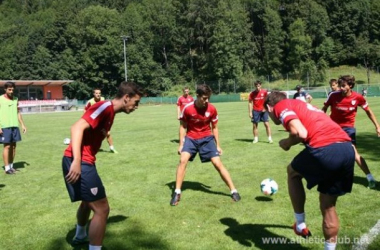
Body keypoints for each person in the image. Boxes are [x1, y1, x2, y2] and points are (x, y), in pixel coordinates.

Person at [264, 91, 355, 250]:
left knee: (292, 172)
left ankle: (300, 224)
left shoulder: (280, 106)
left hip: (326, 148)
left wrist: (287, 142)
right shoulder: (302, 105)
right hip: (347, 149)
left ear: (268, 107)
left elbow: (300, 133)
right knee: (328, 206)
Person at [62, 82, 143, 249]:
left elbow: (91, 130)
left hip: (83, 160)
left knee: (87, 202)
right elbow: (76, 128)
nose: (136, 107)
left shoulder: (110, 112)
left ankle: (80, 235)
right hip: (80, 161)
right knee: (102, 209)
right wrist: (77, 161)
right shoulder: (105, 107)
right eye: (136, 102)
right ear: (126, 98)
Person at [170, 84, 241, 206]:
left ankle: (234, 190)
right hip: (191, 138)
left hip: (207, 138)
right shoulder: (187, 109)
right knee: (182, 160)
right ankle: (177, 192)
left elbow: (215, 128)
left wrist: (218, 145)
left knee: (217, 163)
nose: (206, 101)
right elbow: (183, 126)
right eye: (204, 98)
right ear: (197, 96)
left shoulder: (212, 109)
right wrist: (181, 144)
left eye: (208, 98)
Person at [322, 75, 379, 189]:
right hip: (333, 128)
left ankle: (370, 178)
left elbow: (369, 111)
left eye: (343, 86)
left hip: (348, 129)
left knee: (354, 154)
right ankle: (331, 176)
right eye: (340, 86)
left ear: (350, 86)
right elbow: (324, 109)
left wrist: (377, 126)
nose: (341, 88)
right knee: (328, 151)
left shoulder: (358, 98)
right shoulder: (333, 95)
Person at [0, 82, 27, 174]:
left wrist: (22, 124)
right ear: (5, 89)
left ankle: (11, 166)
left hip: (14, 126)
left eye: (12, 89)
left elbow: (18, 113)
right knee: (7, 146)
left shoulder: (15, 99)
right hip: (4, 126)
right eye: (9, 89)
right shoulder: (0, 99)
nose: (11, 91)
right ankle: (7, 169)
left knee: (14, 147)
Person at [85, 88, 118, 154]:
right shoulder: (90, 102)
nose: (98, 95)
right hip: (93, 121)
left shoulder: (103, 99)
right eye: (97, 93)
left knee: (107, 133)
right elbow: (85, 111)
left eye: (99, 93)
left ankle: (112, 148)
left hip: (102, 121)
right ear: (94, 94)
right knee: (93, 135)